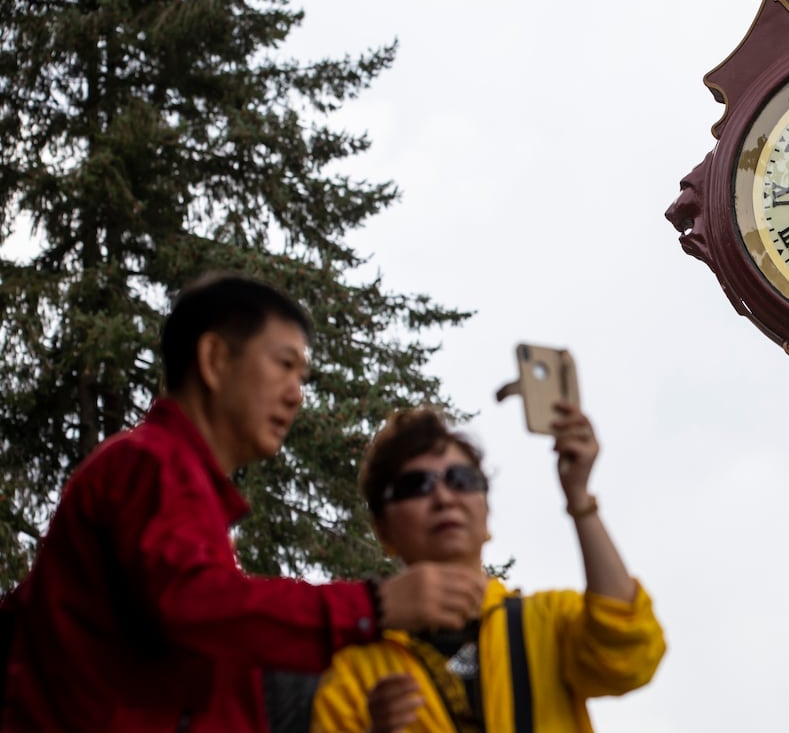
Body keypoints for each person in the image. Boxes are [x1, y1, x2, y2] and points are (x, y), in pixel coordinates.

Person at [1, 272, 486, 732]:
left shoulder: (167, 480)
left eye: (303, 375)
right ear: (214, 359)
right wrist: (374, 605)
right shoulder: (150, 463)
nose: (296, 395)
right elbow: (196, 607)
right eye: (284, 364)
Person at [309, 402, 665, 732]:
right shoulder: (355, 674)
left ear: (486, 513)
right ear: (383, 529)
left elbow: (628, 654)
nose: (444, 498)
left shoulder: (548, 622)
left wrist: (580, 499)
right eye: (417, 485)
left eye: (462, 480)